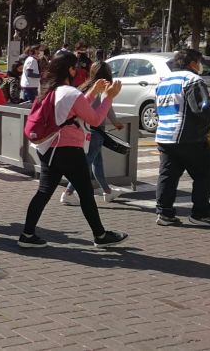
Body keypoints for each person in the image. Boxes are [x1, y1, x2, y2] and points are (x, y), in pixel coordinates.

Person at [18, 52, 128, 249]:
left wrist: (93, 91)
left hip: (49, 149)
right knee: (86, 193)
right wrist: (108, 97)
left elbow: (76, 108)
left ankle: (27, 234)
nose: (77, 70)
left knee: (43, 193)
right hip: (68, 149)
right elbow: (94, 118)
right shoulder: (70, 92)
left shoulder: (51, 91)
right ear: (69, 69)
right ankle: (100, 235)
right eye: (75, 66)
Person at [153, 49, 210, 227]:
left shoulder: (163, 83)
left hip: (164, 135)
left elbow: (157, 110)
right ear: (193, 63)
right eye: (199, 62)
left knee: (168, 176)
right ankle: (200, 213)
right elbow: (202, 108)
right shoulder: (192, 80)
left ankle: (165, 213)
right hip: (188, 136)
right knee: (204, 173)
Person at [60, 61, 125, 205]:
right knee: (86, 163)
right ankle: (68, 192)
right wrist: (115, 122)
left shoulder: (85, 87)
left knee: (97, 162)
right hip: (96, 130)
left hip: (84, 128)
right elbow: (107, 106)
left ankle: (107, 191)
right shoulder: (104, 88)